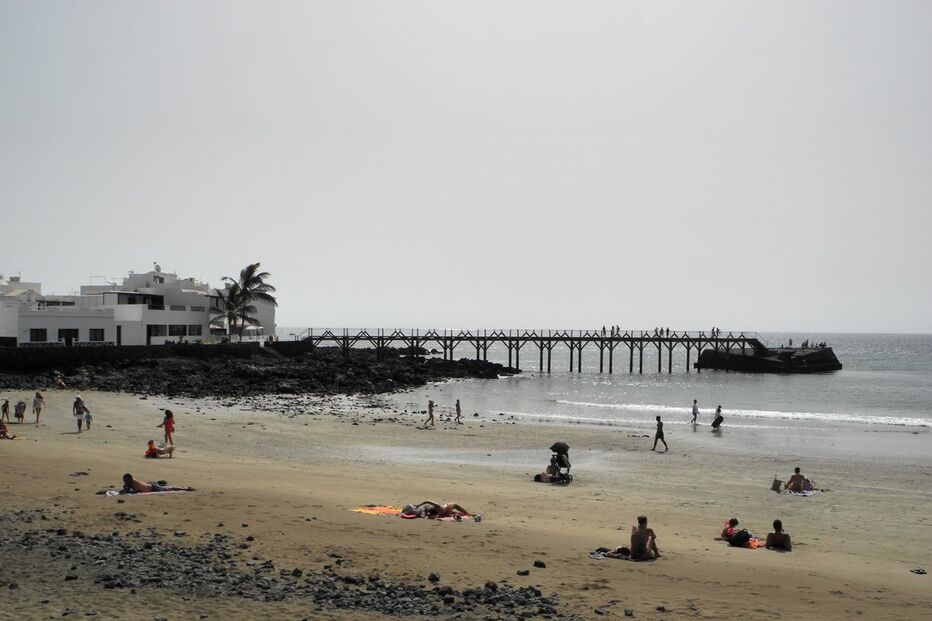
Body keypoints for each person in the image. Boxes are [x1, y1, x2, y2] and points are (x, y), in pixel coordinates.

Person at [119, 473, 193, 494]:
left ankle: (185, 488)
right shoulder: (130, 483)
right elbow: (127, 489)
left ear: (130, 479)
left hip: (152, 487)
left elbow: (135, 491)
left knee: (168, 489)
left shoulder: (134, 483)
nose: (125, 481)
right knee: (166, 487)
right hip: (150, 485)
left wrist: (126, 490)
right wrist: (125, 487)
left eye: (125, 480)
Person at [402, 501, 470, 519]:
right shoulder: (438, 511)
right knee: (451, 511)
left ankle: (466, 512)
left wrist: (419, 505)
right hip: (445, 511)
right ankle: (465, 513)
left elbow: (427, 501)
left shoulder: (438, 507)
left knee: (454, 507)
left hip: (448, 507)